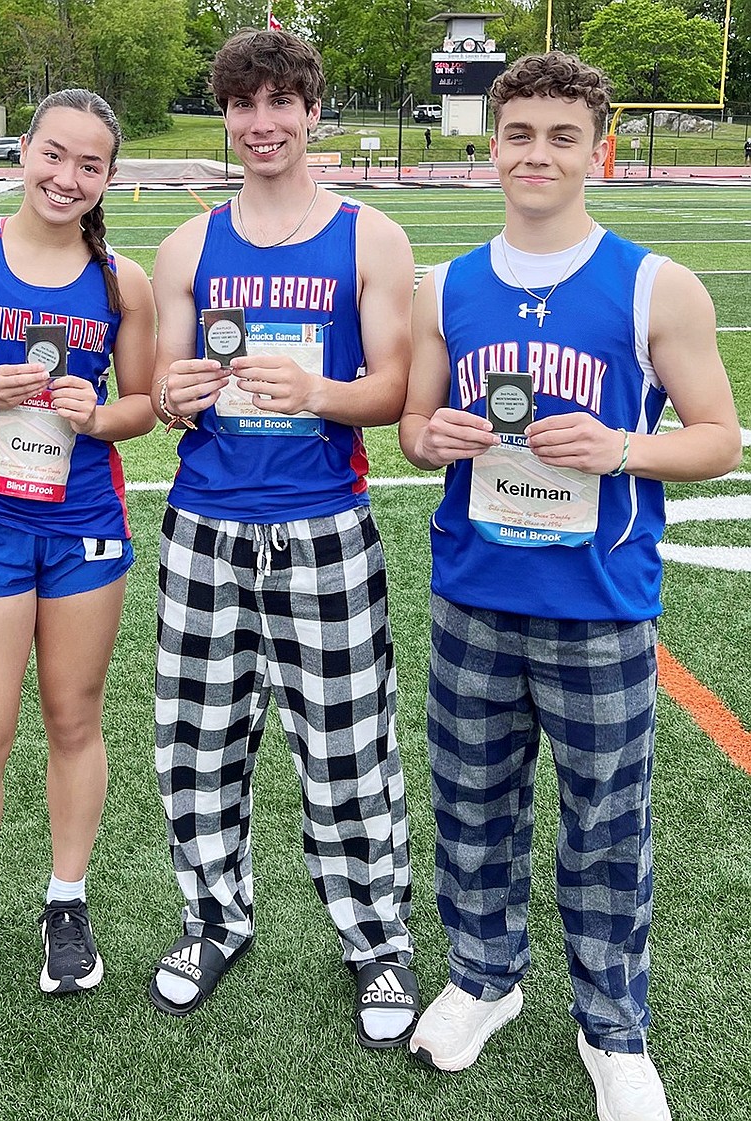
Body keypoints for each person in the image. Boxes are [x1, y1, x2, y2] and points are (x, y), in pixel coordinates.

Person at [399, 52, 740, 1121]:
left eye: (558, 136)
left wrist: (621, 447)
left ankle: (612, 1027)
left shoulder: (652, 283)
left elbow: (717, 440)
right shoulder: (445, 284)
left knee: (604, 823)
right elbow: (412, 433)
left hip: (597, 605)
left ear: (595, 150)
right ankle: (481, 977)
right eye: (516, 134)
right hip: (473, 592)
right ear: (489, 148)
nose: (534, 154)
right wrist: (435, 433)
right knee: (470, 804)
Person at [148, 28, 418, 1049]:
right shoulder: (186, 243)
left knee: (348, 752)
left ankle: (375, 939)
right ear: (225, 115)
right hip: (206, 529)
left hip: (322, 529)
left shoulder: (368, 237)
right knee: (197, 746)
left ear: (310, 112)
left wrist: (318, 391)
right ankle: (212, 921)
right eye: (241, 105)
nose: (259, 123)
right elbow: (170, 389)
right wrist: (173, 395)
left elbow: (391, 389)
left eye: (278, 103)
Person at [0, 88, 156, 1017]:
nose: (67, 177)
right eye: (55, 154)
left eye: (90, 165)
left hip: (86, 522)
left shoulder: (120, 281)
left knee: (73, 721)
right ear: (24, 153)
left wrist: (102, 414)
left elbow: (145, 405)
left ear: (107, 178)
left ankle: (66, 901)